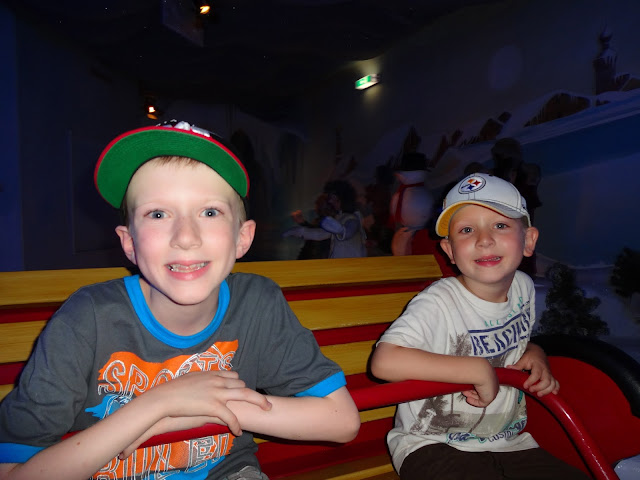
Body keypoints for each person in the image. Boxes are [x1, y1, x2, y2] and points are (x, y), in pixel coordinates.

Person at [0, 120, 360, 480]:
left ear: (242, 237)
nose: (186, 237)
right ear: (129, 242)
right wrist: (160, 403)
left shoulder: (257, 302)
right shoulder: (86, 319)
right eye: (158, 214)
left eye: (210, 212)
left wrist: (201, 407)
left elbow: (341, 420)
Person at [369, 173, 589, 479]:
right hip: (431, 443)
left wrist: (533, 351)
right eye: (467, 230)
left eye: (500, 225)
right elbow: (384, 362)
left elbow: (509, 339)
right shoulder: (438, 302)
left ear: (528, 241)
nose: (484, 240)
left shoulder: (523, 288)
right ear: (450, 251)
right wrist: (477, 370)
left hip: (509, 441)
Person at [283, 180, 366, 258]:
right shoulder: (339, 218)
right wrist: (300, 231)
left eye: (332, 197)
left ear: (341, 198)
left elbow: (347, 233)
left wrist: (337, 228)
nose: (330, 201)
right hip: (339, 263)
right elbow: (320, 234)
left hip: (350, 264)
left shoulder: (352, 218)